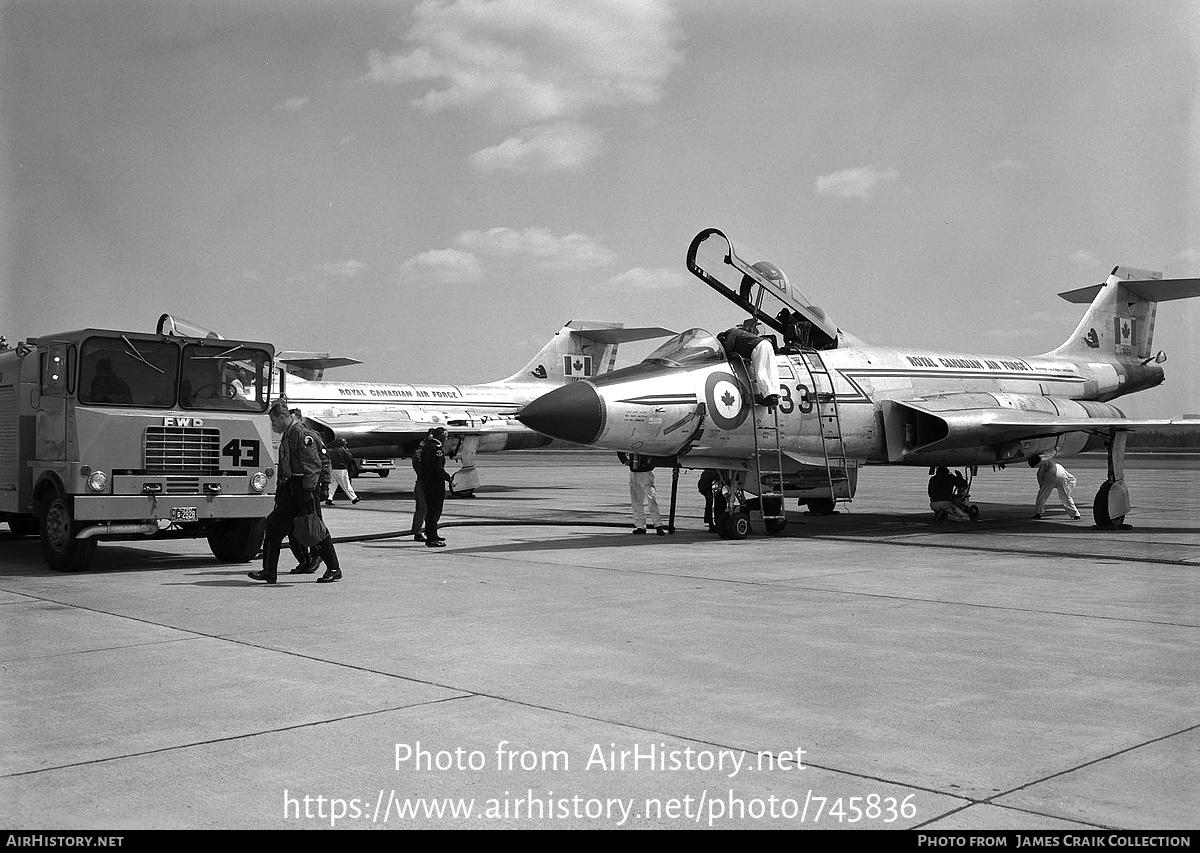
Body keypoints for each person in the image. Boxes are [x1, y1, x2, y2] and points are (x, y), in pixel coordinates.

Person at [249, 400, 344, 584]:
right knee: (274, 528)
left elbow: (313, 465)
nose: (273, 425)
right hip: (291, 487)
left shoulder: (302, 435)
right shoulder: (288, 434)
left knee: (314, 529)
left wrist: (309, 491)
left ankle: (334, 568)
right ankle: (269, 571)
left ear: (283, 417)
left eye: (274, 421)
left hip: (304, 488)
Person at [716, 320, 781, 408]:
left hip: (758, 348)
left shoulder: (731, 332)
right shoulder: (740, 335)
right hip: (766, 345)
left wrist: (724, 352)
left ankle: (769, 397)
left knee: (760, 372)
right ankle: (775, 395)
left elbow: (728, 347)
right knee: (771, 372)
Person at [417, 426, 454, 547]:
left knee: (431, 511)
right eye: (446, 437)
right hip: (435, 484)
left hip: (427, 482)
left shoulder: (427, 446)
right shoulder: (437, 449)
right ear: (442, 437)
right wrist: (449, 479)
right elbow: (438, 469)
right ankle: (432, 539)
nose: (446, 439)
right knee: (434, 511)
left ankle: (432, 534)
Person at [622, 452, 666, 535]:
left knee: (651, 499)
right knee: (636, 501)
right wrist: (625, 460)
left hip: (646, 473)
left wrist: (651, 464)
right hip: (634, 473)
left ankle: (658, 525)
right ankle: (640, 526)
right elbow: (620, 448)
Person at [1030, 453, 1081, 520]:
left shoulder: (1043, 466)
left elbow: (1039, 476)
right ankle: (1075, 514)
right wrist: (1068, 489)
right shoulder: (1059, 465)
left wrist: (1042, 488)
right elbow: (1072, 479)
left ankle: (1038, 513)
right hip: (1062, 476)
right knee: (1065, 497)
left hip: (1050, 475)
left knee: (1042, 496)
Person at [410, 430, 432, 541]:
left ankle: (426, 531)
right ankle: (417, 532)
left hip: (426, 482)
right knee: (422, 508)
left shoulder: (427, 452)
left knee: (426, 508)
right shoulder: (420, 453)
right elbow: (419, 468)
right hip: (423, 483)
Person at [326, 438, 360, 506]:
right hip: (341, 470)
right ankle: (354, 498)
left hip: (333, 469)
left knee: (333, 485)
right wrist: (347, 451)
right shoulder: (343, 450)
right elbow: (350, 457)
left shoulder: (333, 451)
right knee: (346, 485)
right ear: (343, 443)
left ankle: (329, 499)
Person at [698, 468, 727, 532]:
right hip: (707, 484)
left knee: (710, 502)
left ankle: (713, 523)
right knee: (716, 501)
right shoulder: (715, 473)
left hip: (705, 483)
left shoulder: (711, 471)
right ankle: (714, 523)